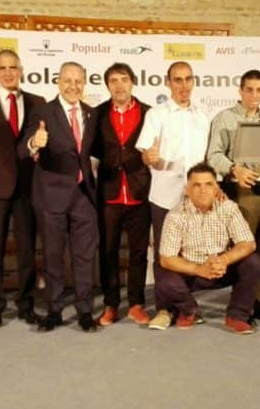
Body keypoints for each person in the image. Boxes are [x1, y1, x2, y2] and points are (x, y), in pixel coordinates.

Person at [20, 62, 99, 333]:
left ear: (84, 84)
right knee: (53, 256)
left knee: (84, 257)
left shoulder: (91, 113)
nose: (73, 86)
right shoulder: (42, 111)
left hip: (84, 196)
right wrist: (34, 143)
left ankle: (85, 311)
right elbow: (22, 148)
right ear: (58, 82)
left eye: (78, 81)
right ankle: (54, 310)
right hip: (51, 195)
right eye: (68, 80)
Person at [207, 69, 260, 324]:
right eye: (250, 90)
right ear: (240, 90)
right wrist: (235, 169)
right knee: (243, 251)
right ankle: (242, 309)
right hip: (242, 190)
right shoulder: (225, 118)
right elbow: (213, 155)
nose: (255, 95)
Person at [134, 61, 211, 330]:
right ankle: (164, 309)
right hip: (165, 196)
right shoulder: (156, 115)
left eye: (188, 79)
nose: (183, 85)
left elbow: (206, 159)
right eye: (177, 80)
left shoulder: (203, 117)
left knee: (189, 254)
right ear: (168, 83)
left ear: (193, 82)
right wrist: (149, 157)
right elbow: (145, 154)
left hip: (196, 200)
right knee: (163, 256)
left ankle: (183, 307)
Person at [0, 49, 45, 327]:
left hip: (28, 187)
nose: (8, 72)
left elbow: (40, 143)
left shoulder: (38, 102)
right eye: (2, 68)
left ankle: (26, 305)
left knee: (27, 250)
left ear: (21, 70)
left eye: (13, 67)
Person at [157, 163, 260, 334]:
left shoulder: (229, 207)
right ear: (187, 190)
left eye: (208, 184)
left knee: (253, 262)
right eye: (196, 185)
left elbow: (248, 243)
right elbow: (167, 258)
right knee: (164, 278)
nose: (203, 190)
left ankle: (237, 316)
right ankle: (189, 310)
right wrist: (200, 269)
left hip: (222, 268)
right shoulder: (175, 216)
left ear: (217, 188)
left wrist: (223, 260)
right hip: (192, 272)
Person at [93, 63, 152, 326]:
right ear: (107, 85)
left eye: (124, 79)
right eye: (114, 80)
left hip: (140, 192)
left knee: (138, 253)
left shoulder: (150, 113)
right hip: (109, 193)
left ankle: (136, 304)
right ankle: (110, 305)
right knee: (108, 252)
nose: (119, 85)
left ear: (133, 82)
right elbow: (93, 149)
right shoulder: (97, 114)